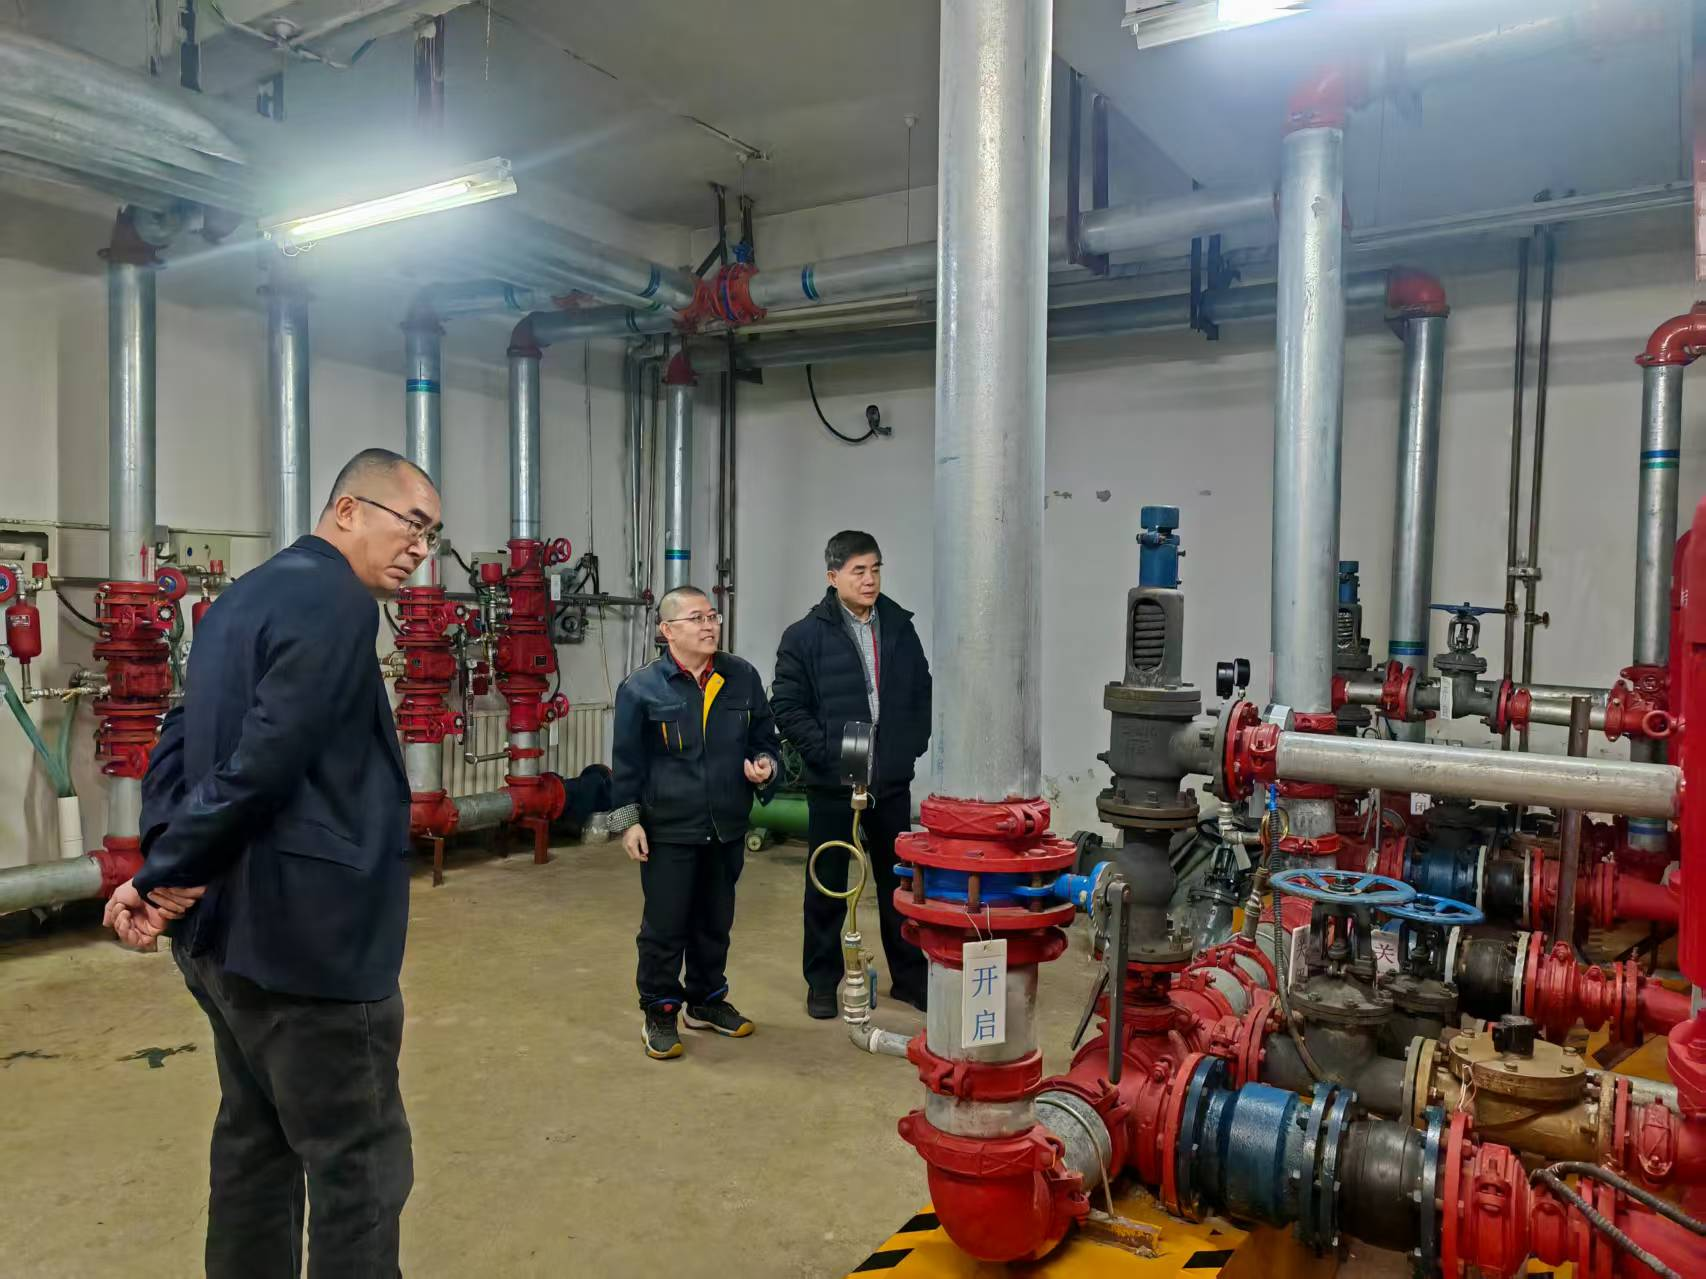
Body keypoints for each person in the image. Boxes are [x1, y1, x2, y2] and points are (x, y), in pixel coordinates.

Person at [104, 447, 438, 1279]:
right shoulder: (339, 599)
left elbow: (178, 740)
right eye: (413, 524)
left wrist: (168, 863)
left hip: (225, 944)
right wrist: (167, 870)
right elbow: (267, 757)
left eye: (433, 537)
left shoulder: (237, 600)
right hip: (307, 950)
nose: (421, 549)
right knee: (359, 1168)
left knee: (255, 1146)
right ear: (348, 510)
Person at [609, 585, 781, 1060]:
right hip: (669, 829)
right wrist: (629, 822)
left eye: (712, 616)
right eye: (696, 618)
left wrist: (765, 766)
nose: (709, 626)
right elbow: (626, 763)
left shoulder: (741, 677)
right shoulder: (641, 688)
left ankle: (706, 1001)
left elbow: (765, 740)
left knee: (714, 922)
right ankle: (660, 1010)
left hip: (726, 825)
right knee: (665, 927)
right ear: (667, 630)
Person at [772, 530, 931, 1020]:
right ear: (832, 576)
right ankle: (822, 983)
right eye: (858, 571)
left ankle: (910, 979)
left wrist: (909, 748)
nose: (869, 580)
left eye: (875, 569)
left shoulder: (899, 626)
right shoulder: (804, 636)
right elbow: (787, 705)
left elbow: (921, 691)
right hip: (832, 781)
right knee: (828, 882)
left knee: (899, 882)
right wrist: (826, 754)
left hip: (889, 778)